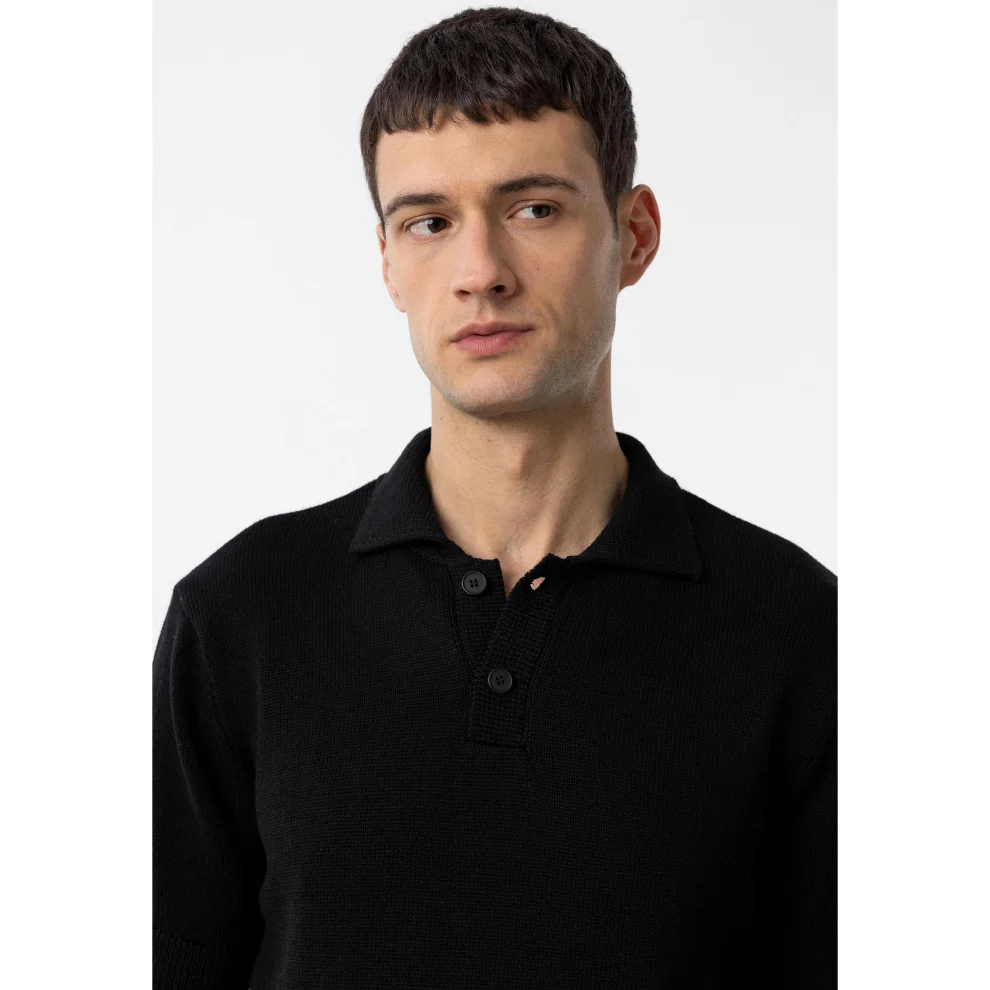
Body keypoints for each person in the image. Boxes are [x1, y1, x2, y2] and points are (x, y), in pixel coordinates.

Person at [153, 7, 836, 988]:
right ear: (388, 263)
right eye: (429, 223)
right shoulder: (242, 613)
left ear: (634, 235)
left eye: (534, 209)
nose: (480, 273)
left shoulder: (797, 629)